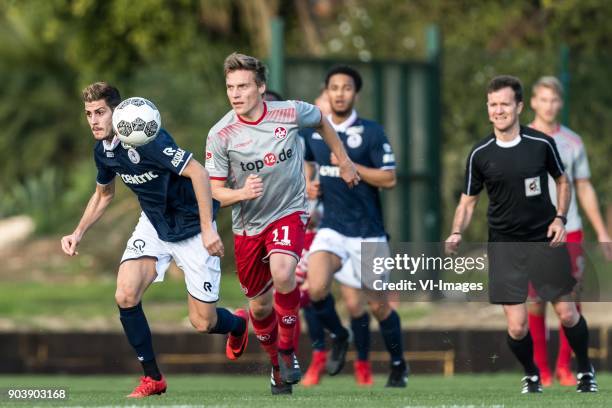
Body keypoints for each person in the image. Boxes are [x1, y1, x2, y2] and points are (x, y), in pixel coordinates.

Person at [61, 82, 248, 398]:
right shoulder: (103, 151)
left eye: (100, 112)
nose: (93, 120)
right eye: (89, 114)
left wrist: (208, 228)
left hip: (190, 226)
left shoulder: (148, 139)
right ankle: (153, 379)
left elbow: (199, 174)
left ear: (117, 113)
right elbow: (103, 194)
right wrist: (78, 232)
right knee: (125, 294)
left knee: (203, 323)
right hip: (154, 224)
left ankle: (237, 324)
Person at [205, 53, 359, 395]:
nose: (235, 93)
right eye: (230, 87)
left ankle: (288, 351)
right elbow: (214, 191)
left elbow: (322, 120)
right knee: (259, 307)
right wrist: (241, 192)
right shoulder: (220, 134)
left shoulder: (288, 111)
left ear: (260, 87)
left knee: (284, 272)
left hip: (289, 211)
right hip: (248, 227)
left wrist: (345, 162)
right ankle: (277, 367)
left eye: (243, 86)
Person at [446, 75, 597, 393]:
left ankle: (584, 369)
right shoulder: (480, 153)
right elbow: (468, 201)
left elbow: (564, 182)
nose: (498, 110)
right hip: (504, 245)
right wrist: (457, 230)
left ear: (519, 106)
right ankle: (532, 374)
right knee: (517, 327)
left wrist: (559, 219)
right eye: (493, 105)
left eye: (504, 104)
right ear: (487, 109)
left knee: (568, 313)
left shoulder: (541, 143)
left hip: (543, 240)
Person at [302, 65, 408, 387]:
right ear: (327, 91)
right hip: (332, 228)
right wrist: (309, 184)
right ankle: (339, 335)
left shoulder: (372, 132)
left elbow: (389, 178)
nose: (339, 93)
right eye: (334, 87)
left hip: (368, 232)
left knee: (378, 306)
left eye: (346, 88)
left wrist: (352, 165)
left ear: (355, 93)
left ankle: (398, 365)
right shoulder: (314, 131)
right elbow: (308, 164)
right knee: (316, 287)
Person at [527, 76, 612, 387]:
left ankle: (565, 366)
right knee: (534, 300)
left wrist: (603, 232)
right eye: (544, 99)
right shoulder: (521, 139)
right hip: (534, 233)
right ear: (533, 102)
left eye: (554, 100)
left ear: (560, 103)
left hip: (570, 229)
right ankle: (540, 369)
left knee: (571, 300)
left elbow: (584, 187)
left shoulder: (573, 142)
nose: (549, 106)